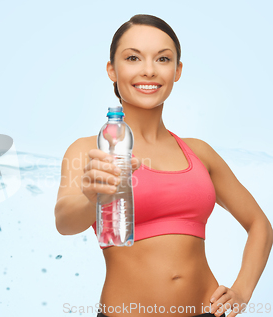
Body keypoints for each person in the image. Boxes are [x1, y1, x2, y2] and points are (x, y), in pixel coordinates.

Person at [54, 14, 273, 317]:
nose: (148, 70)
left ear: (177, 70)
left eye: (163, 59)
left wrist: (242, 290)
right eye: (133, 58)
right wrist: (92, 196)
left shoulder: (200, 153)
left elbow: (259, 224)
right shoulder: (91, 150)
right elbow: (64, 223)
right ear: (112, 70)